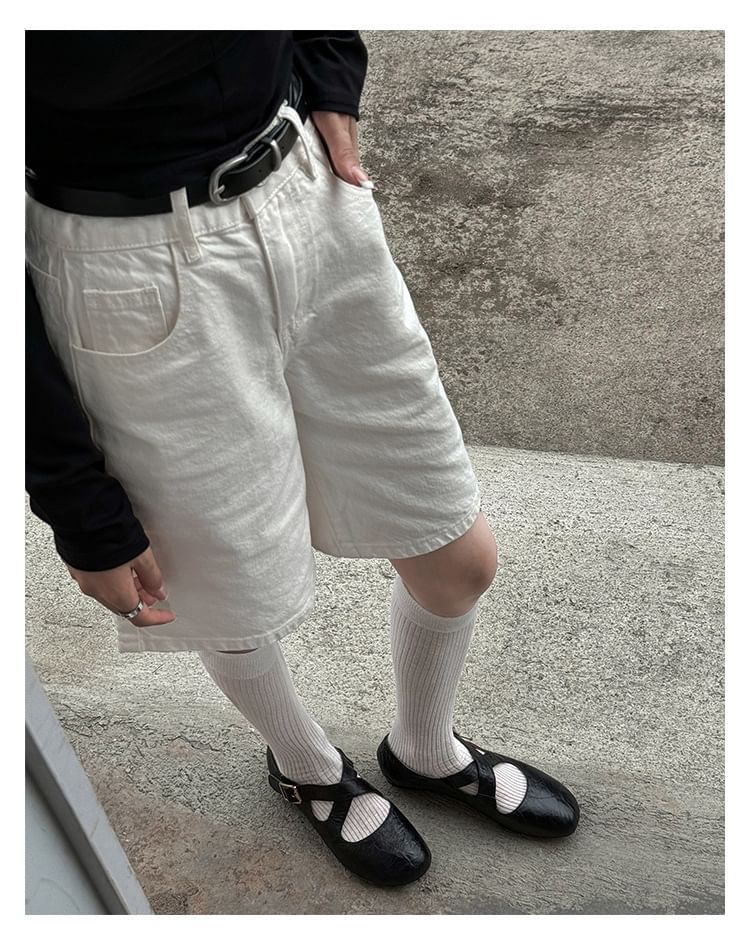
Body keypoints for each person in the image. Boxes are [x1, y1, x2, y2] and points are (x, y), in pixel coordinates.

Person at [25, 31, 579, 889]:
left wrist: (328, 62)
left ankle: (424, 748)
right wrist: (76, 503)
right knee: (228, 598)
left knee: (457, 555)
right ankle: (305, 766)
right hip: (125, 265)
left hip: (308, 194)